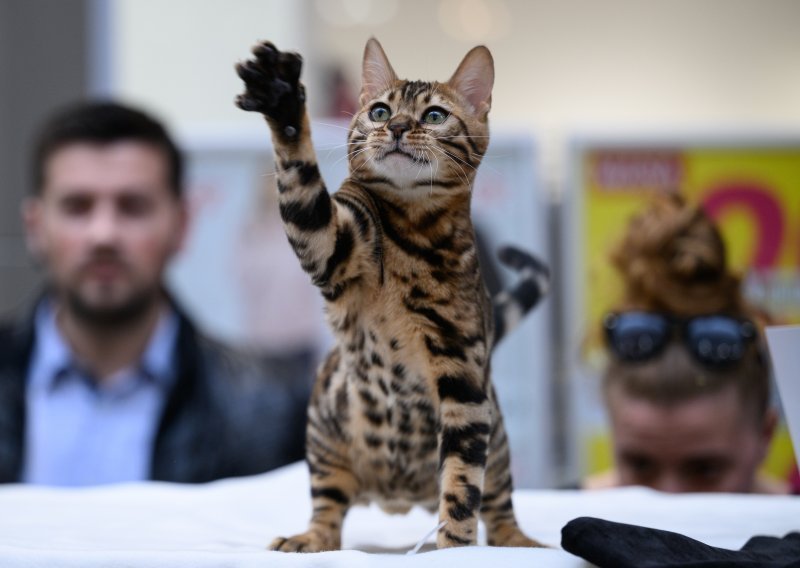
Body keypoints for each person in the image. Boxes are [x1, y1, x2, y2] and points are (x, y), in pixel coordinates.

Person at [0, 101, 308, 486]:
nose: (104, 234)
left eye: (133, 207)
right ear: (35, 227)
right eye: (77, 207)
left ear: (181, 225)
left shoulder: (271, 411)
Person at [586, 195, 788, 494]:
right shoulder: (546, 528)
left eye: (705, 470)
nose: (670, 496)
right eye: (640, 465)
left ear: (765, 435)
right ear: (612, 426)